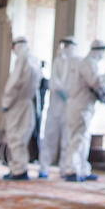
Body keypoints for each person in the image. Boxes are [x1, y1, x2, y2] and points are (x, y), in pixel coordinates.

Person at [61, 39, 105, 182]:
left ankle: (82, 169)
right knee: (77, 138)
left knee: (83, 138)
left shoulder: (91, 63)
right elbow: (94, 81)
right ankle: (71, 169)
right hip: (79, 106)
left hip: (85, 106)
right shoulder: (87, 63)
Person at [0, 36, 43, 180]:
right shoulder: (34, 59)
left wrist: (6, 102)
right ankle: (20, 168)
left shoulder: (21, 59)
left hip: (17, 103)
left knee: (15, 136)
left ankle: (18, 170)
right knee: (23, 136)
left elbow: (14, 82)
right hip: (28, 102)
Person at [38, 36, 77, 179]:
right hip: (55, 107)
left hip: (70, 108)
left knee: (67, 140)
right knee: (49, 138)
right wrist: (63, 93)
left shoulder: (76, 63)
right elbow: (54, 83)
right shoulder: (57, 61)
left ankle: (65, 168)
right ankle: (44, 168)